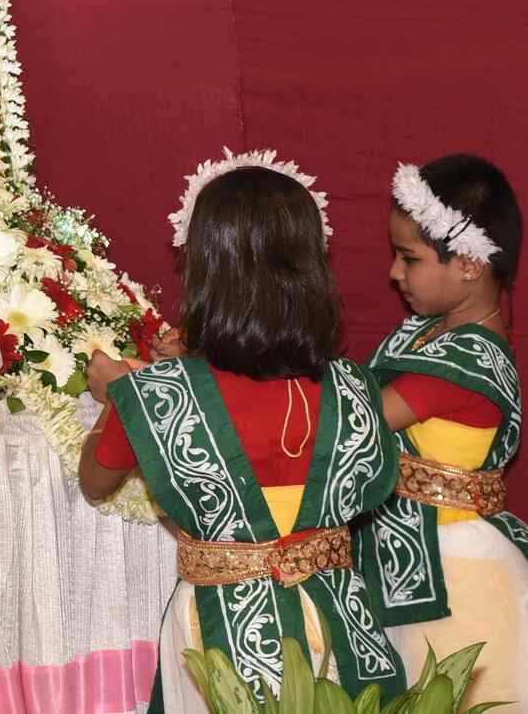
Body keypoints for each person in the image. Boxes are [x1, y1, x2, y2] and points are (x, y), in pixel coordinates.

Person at [79, 149, 406, 708]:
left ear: (203, 270)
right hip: (341, 628)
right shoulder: (355, 385)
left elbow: (95, 481)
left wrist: (118, 397)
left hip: (219, 638)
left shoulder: (158, 394)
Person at [355, 154, 528, 709]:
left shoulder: (465, 363)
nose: (394, 273)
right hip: (423, 568)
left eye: (409, 258)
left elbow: (347, 420)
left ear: (470, 264)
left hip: (458, 582)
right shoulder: (425, 334)